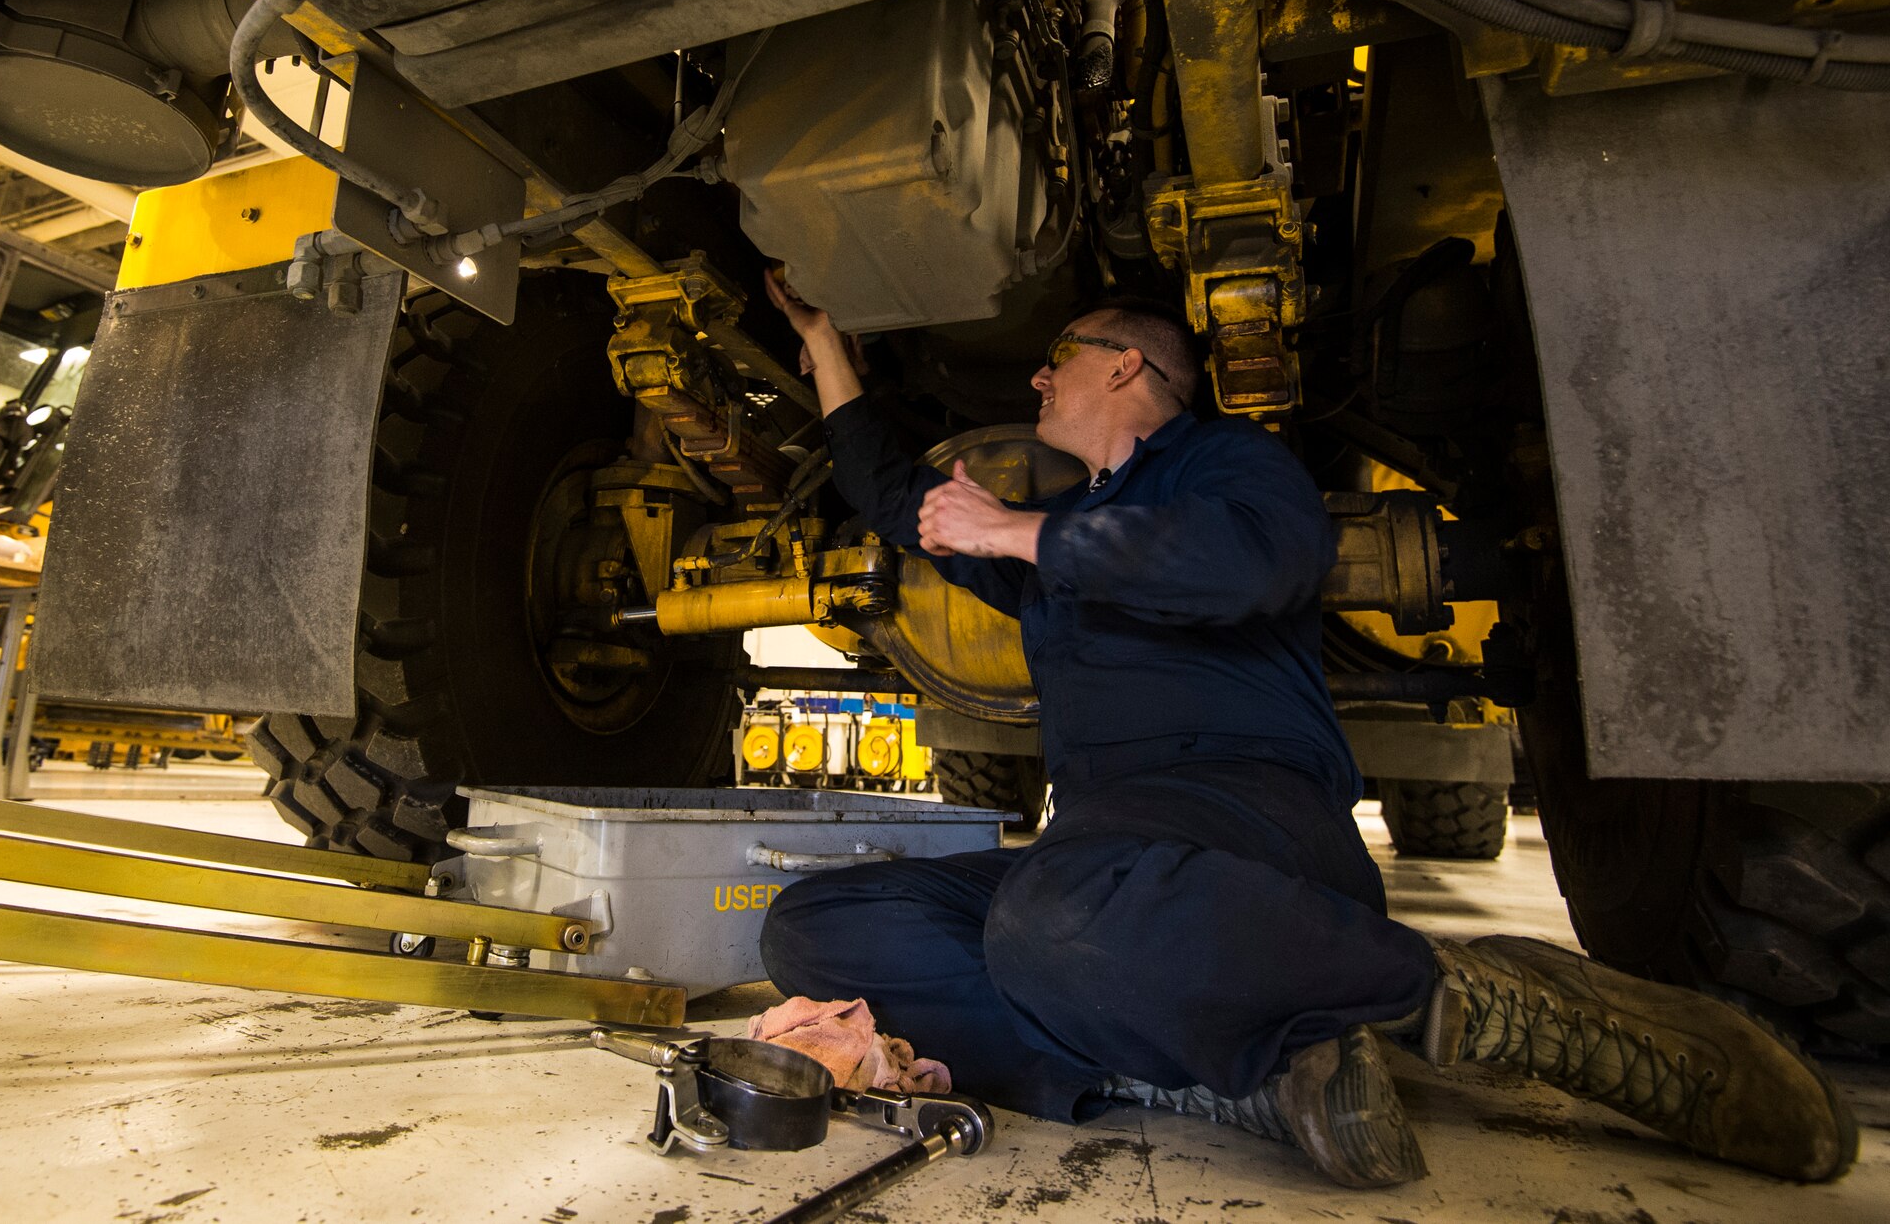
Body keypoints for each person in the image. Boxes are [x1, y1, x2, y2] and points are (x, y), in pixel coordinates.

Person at [756, 272, 1856, 1188]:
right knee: (816, 926)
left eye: (1059, 358)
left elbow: (1255, 563)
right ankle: (1241, 1063)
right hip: (1107, 851)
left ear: (1124, 365)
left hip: (1251, 821)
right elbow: (895, 495)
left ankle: (1474, 998)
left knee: (1050, 918)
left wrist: (1018, 530)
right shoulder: (1061, 533)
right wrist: (824, 350)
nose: (1036, 377)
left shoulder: (1223, 465)